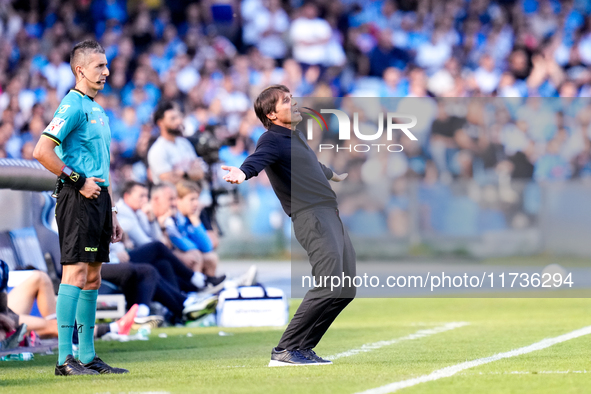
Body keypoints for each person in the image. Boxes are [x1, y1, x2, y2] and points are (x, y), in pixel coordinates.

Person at [222, 84, 355, 366]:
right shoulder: (271, 140)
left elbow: (314, 166)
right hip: (312, 217)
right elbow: (255, 162)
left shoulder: (295, 137)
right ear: (271, 114)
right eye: (286, 101)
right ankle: (285, 349)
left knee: (345, 289)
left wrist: (335, 175)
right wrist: (242, 173)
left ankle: (303, 348)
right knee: (330, 283)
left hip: (329, 214)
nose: (293, 103)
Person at [33, 39, 127, 376]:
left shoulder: (98, 110)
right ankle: (63, 360)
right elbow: (42, 151)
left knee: (93, 276)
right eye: (99, 66)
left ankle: (86, 356)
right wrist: (77, 179)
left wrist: (113, 211)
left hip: (99, 199)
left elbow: (104, 166)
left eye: (106, 65)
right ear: (80, 69)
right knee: (74, 273)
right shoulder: (72, 105)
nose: (106, 71)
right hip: (77, 197)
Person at [147, 100, 205, 185]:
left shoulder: (184, 143)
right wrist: (190, 173)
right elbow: (168, 180)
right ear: (160, 123)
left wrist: (182, 173)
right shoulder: (157, 150)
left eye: (178, 117)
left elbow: (200, 173)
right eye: (172, 119)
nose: (178, 121)